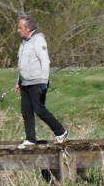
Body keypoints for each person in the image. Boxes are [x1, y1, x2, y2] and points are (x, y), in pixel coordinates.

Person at [14, 17, 67, 149]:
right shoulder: (23, 42)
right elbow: (22, 64)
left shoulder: (38, 40)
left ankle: (60, 132)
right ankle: (30, 139)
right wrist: (18, 81)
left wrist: (44, 81)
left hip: (38, 82)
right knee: (26, 111)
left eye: (20, 28)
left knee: (39, 110)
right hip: (25, 83)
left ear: (28, 28)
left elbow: (45, 61)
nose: (18, 30)